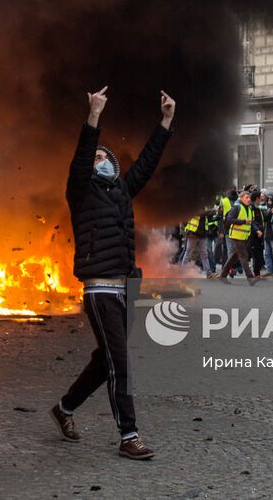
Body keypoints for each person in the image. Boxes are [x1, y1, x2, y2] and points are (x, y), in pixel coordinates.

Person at [51, 86, 173, 461]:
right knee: (119, 361)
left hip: (125, 287)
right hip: (100, 287)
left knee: (106, 360)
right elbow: (83, 153)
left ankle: (64, 408)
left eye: (105, 156)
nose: (99, 158)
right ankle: (129, 436)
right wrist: (94, 118)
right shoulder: (80, 191)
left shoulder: (121, 190)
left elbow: (148, 163)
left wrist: (166, 121)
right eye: (96, 156)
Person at [218, 187, 260, 285]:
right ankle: (250, 278)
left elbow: (251, 222)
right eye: (246, 197)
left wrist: (257, 230)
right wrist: (243, 221)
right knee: (243, 256)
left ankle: (223, 276)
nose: (249, 199)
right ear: (240, 198)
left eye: (249, 197)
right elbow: (230, 220)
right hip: (236, 236)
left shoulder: (249, 209)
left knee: (234, 257)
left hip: (244, 236)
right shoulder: (236, 207)